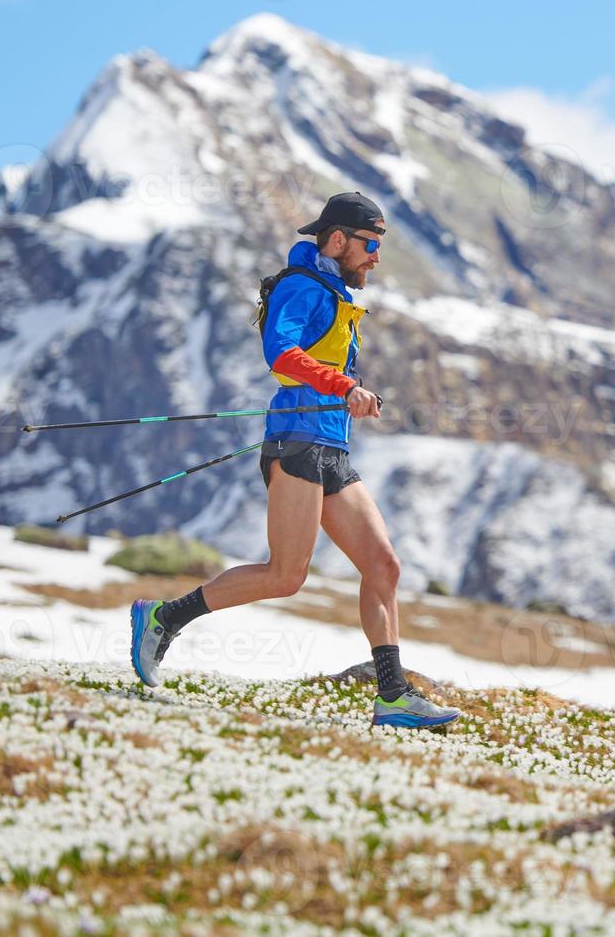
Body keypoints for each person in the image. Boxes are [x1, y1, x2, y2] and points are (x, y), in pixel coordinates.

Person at [127, 192, 459, 730]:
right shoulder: (300, 287)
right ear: (337, 240)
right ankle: (162, 619)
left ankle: (393, 696)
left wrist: (347, 395)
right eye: (370, 244)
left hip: (332, 446)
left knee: (384, 566)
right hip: (297, 442)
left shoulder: (333, 289)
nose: (376, 256)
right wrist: (346, 384)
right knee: (285, 576)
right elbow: (279, 353)